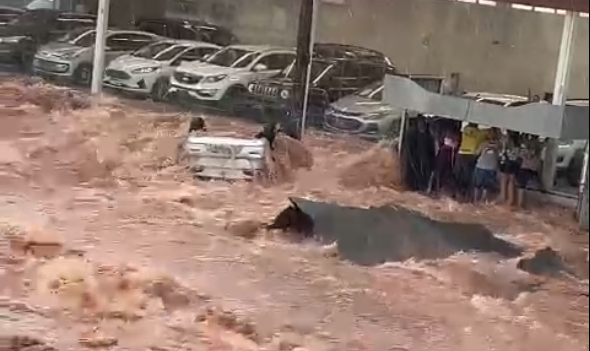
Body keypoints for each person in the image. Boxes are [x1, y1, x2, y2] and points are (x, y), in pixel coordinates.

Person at [455, 123, 488, 201]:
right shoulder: (481, 133)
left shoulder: (465, 131)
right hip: (470, 156)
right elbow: (491, 133)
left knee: (459, 176)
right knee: (469, 177)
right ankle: (468, 197)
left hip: (460, 154)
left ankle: (458, 195)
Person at [429, 126, 459, 196]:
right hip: (444, 162)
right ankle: (437, 189)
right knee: (440, 176)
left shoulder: (445, 146)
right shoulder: (449, 148)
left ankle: (435, 190)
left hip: (443, 161)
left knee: (438, 175)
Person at [473, 128, 500, 203]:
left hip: (481, 166)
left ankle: (476, 200)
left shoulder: (484, 143)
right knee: (486, 186)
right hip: (491, 167)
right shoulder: (498, 144)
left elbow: (476, 152)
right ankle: (483, 200)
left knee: (478, 185)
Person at [515, 134, 542, 209]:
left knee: (522, 187)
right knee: (535, 186)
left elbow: (524, 155)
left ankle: (521, 204)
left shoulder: (528, 145)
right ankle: (534, 203)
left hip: (526, 168)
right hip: (531, 168)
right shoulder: (538, 145)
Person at [498, 130, 521, 206]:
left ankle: (505, 197)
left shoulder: (507, 141)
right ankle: (509, 199)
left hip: (508, 161)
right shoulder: (518, 142)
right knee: (510, 180)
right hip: (513, 162)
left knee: (505, 179)